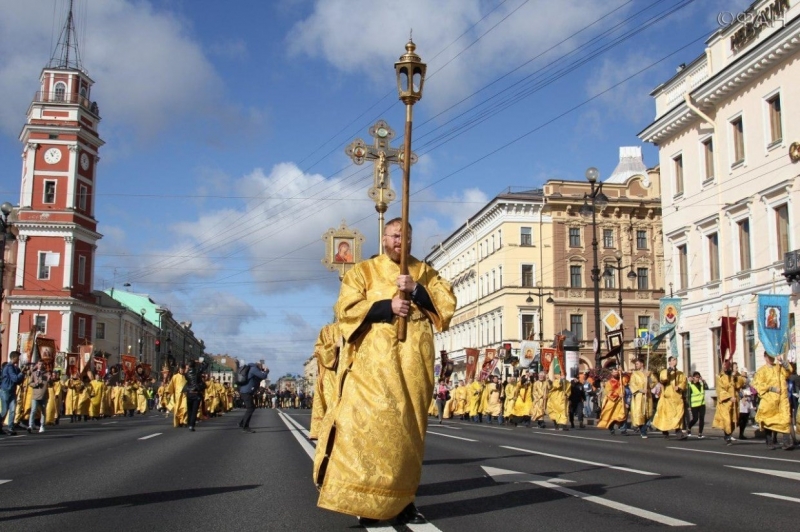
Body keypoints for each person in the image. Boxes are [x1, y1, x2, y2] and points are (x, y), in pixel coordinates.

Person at [313, 218, 456, 526]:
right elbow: (346, 311)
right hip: (373, 370)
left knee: (408, 436)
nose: (398, 243)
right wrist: (386, 306)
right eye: (394, 236)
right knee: (368, 431)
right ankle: (367, 503)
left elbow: (445, 309)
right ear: (384, 238)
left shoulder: (426, 272)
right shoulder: (363, 271)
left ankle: (405, 502)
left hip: (413, 369)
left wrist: (416, 290)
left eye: (405, 238)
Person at [752, 353, 793, 450]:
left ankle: (786, 442)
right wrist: (771, 388)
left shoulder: (779, 367)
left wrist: (781, 360)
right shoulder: (761, 371)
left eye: (772, 356)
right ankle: (769, 441)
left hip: (782, 400)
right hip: (769, 401)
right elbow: (757, 384)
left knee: (785, 419)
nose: (771, 358)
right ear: (765, 357)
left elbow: (789, 371)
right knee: (769, 420)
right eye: (769, 356)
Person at [652, 356, 688, 439]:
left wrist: (679, 387)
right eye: (673, 360)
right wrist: (669, 371)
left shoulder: (680, 373)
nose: (675, 361)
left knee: (678, 415)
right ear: (669, 362)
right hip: (667, 398)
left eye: (676, 359)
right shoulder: (664, 371)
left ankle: (678, 431)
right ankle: (665, 430)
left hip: (677, 398)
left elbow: (684, 382)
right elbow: (662, 380)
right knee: (666, 415)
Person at [237, 361, 269, 433]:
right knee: (250, 408)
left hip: (246, 391)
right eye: (262, 366)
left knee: (251, 407)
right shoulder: (254, 368)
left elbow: (259, 379)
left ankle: (242, 423)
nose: (262, 368)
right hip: (246, 391)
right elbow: (263, 376)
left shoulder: (252, 369)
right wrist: (266, 371)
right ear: (259, 365)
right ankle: (245, 426)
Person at [1, 351, 25, 435]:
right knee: (4, 410)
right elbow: (15, 378)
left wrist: (23, 373)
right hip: (6, 390)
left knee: (12, 410)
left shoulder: (15, 368)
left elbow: (18, 381)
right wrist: (21, 373)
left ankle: (10, 428)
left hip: (12, 390)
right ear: (13, 357)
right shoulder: (9, 367)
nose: (19, 359)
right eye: (18, 357)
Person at [713, 363, 738, 445]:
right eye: (724, 365)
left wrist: (736, 376)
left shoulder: (732, 375)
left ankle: (729, 433)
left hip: (734, 402)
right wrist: (729, 397)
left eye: (727, 365)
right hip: (725, 402)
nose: (726, 367)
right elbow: (720, 390)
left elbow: (739, 384)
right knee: (726, 420)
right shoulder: (720, 377)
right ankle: (727, 436)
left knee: (734, 421)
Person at [597, 367, 627, 435]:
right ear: (612, 373)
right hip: (612, 402)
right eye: (614, 372)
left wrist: (623, 373)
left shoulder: (621, 379)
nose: (616, 373)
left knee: (622, 414)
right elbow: (609, 392)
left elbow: (627, 379)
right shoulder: (609, 382)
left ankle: (623, 429)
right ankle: (611, 427)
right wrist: (618, 395)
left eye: (617, 372)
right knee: (611, 416)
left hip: (620, 401)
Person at [628, 358, 653, 438]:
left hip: (647, 396)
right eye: (636, 364)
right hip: (639, 397)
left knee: (647, 413)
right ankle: (643, 431)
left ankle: (644, 428)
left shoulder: (648, 372)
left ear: (642, 364)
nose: (636, 365)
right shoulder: (635, 374)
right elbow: (632, 384)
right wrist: (640, 390)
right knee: (640, 413)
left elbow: (653, 384)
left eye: (637, 364)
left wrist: (648, 378)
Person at [184, 359, 209, 431]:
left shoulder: (187, 374)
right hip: (196, 393)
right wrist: (200, 362)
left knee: (189, 410)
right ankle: (191, 425)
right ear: (195, 365)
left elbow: (187, 380)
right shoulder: (197, 371)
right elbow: (206, 365)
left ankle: (189, 423)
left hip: (189, 393)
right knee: (194, 410)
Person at [27, 361, 51, 433]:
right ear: (37, 365)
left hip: (44, 395)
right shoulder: (34, 373)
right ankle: (30, 425)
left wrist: (49, 380)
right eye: (39, 364)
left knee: (43, 411)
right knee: (33, 410)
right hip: (35, 395)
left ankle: (42, 425)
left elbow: (51, 384)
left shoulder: (47, 374)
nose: (41, 365)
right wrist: (36, 383)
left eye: (42, 364)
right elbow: (30, 383)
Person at [687, 371, 708, 438]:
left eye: (699, 377)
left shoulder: (701, 384)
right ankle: (689, 427)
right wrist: (689, 406)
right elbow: (689, 396)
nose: (698, 378)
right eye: (696, 377)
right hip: (694, 405)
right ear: (693, 378)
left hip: (702, 404)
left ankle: (700, 433)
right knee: (695, 419)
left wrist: (704, 381)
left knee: (702, 418)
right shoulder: (690, 385)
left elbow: (707, 388)